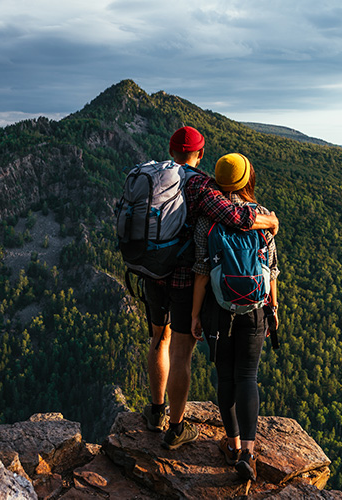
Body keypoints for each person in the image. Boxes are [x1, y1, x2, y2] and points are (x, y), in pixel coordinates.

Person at [142, 127, 279, 451]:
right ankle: (175, 429)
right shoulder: (201, 184)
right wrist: (269, 221)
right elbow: (233, 216)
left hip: (151, 272)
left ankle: (156, 411)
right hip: (182, 279)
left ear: (171, 150)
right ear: (200, 154)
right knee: (181, 354)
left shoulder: (154, 177)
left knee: (158, 339)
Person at [190, 153, 279, 481]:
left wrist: (196, 314)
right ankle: (249, 455)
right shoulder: (262, 216)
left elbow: (201, 271)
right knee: (248, 377)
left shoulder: (206, 219)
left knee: (225, 377)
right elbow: (271, 269)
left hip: (219, 309)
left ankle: (232, 445)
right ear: (246, 181)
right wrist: (273, 308)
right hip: (255, 310)